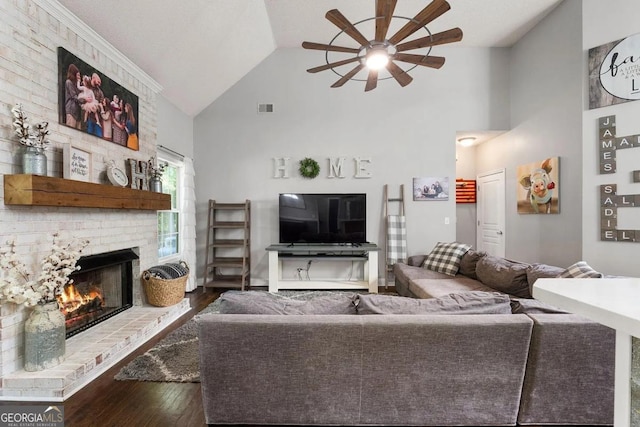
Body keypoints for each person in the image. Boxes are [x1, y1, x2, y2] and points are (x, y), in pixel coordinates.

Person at [63, 63, 82, 129]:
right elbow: (74, 96)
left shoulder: (76, 84)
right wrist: (83, 101)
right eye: (78, 75)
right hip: (71, 110)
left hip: (78, 112)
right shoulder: (69, 82)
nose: (79, 77)